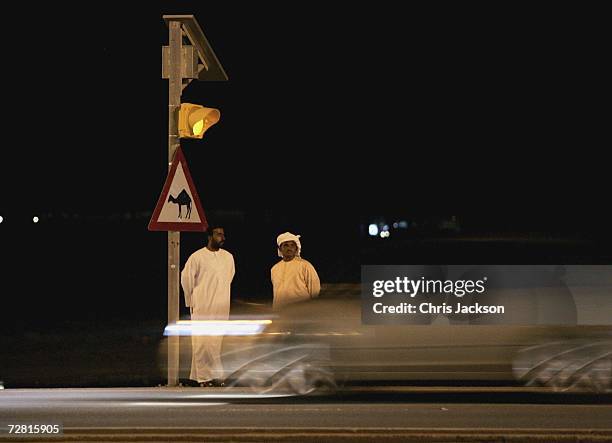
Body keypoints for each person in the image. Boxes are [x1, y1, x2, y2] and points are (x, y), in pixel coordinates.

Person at [181, 225, 235, 387]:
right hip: (202, 304)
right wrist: (191, 300)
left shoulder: (228, 257)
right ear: (209, 236)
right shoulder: (197, 257)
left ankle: (205, 376)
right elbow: (186, 279)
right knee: (201, 342)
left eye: (223, 234)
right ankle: (206, 378)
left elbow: (229, 277)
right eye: (218, 234)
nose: (222, 237)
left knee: (215, 342)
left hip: (221, 304)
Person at [271, 232, 321, 310]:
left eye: (292, 245)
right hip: (280, 312)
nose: (289, 248)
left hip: (301, 312)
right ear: (280, 249)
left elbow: (315, 290)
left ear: (296, 248)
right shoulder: (274, 268)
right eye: (286, 245)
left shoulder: (305, 265)